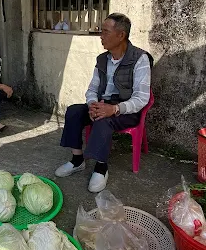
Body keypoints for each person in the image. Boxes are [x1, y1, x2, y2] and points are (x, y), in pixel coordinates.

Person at [55, 13, 152, 192]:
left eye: (105, 32)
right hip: (102, 103)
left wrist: (114, 109)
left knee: (103, 119)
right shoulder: (102, 59)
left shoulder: (140, 59)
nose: (101, 36)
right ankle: (77, 160)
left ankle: (101, 167)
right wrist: (92, 104)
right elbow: (92, 89)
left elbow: (141, 98)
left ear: (120, 35)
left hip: (126, 110)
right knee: (74, 111)